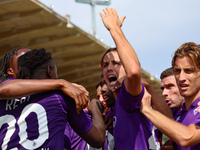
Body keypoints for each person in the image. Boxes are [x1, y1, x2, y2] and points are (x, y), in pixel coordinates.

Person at [0, 48, 105, 149]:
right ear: (49, 70)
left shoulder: (5, 97)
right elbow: (98, 139)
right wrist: (95, 109)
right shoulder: (60, 96)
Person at [99, 8, 160, 149]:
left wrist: (114, 29)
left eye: (116, 63)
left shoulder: (128, 96)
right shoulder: (115, 106)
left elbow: (133, 71)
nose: (109, 68)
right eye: (105, 65)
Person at [140, 42, 200, 150]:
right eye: (177, 71)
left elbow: (187, 138)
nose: (181, 78)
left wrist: (146, 110)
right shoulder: (179, 113)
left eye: (188, 71)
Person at [0, 47, 89, 113]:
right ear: (10, 71)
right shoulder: (5, 89)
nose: (30, 64)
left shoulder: (50, 95)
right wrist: (61, 84)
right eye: (22, 62)